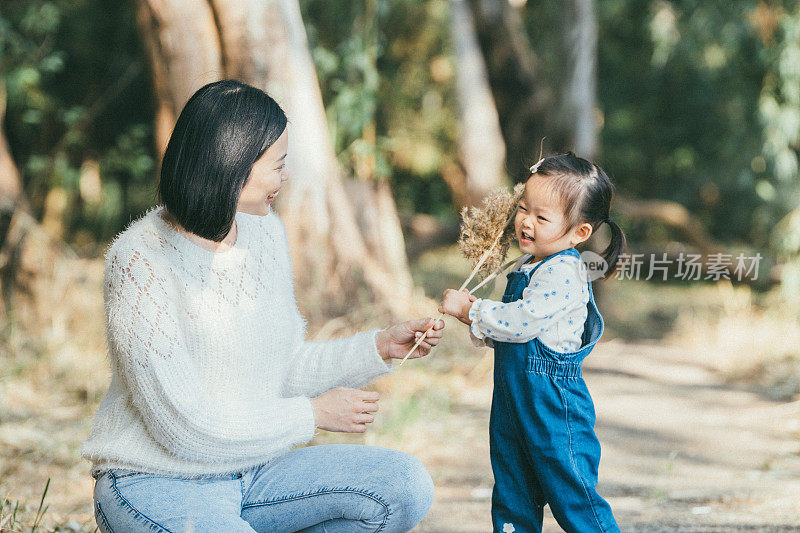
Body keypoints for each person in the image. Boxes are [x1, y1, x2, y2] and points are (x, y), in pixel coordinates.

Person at [81, 79, 444, 533]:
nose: (284, 178)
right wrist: (313, 415)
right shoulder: (139, 259)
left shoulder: (263, 233)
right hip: (156, 480)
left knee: (404, 485)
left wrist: (379, 348)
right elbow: (182, 425)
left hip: (254, 472)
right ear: (231, 164)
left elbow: (283, 366)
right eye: (278, 165)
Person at [438, 152, 626, 532]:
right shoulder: (528, 267)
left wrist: (471, 313)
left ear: (579, 233)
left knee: (572, 493)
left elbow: (522, 323)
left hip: (553, 408)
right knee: (512, 491)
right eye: (523, 208)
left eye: (542, 217)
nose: (526, 221)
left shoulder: (565, 272)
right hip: (512, 403)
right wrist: (480, 313)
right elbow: (513, 336)